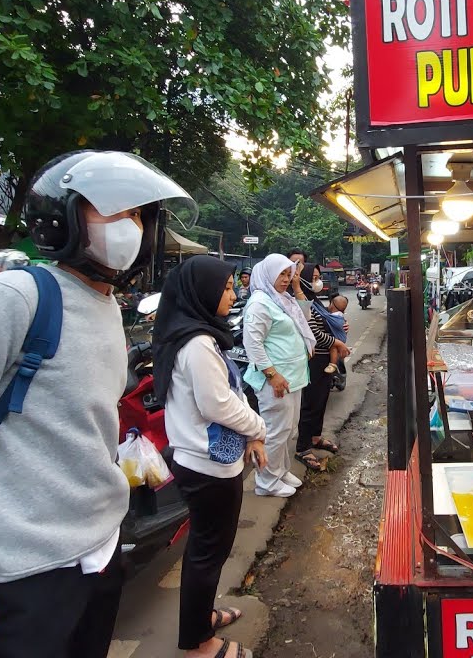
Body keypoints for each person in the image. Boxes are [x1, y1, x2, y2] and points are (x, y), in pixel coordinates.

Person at [0, 150, 193, 657]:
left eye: (138, 215)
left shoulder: (104, 308)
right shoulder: (17, 298)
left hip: (97, 555)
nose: (131, 228)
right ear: (64, 219)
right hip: (21, 574)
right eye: (114, 213)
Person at [153, 256, 267, 658]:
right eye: (227, 288)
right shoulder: (198, 344)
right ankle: (199, 643)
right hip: (207, 467)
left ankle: (201, 618)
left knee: (207, 550)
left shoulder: (192, 334)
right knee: (207, 553)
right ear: (201, 292)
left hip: (204, 460)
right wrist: (257, 428)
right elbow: (218, 404)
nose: (233, 294)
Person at [242, 254, 315, 497]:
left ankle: (280, 471)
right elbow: (253, 344)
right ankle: (266, 482)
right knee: (275, 430)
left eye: (288, 274)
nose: (285, 279)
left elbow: (306, 317)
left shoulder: (282, 299)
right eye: (281, 274)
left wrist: (296, 287)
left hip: (293, 377)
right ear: (268, 274)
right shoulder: (260, 302)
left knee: (288, 429)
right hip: (276, 380)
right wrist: (272, 375)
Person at [295, 264, 350, 471]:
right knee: (311, 403)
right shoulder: (301, 302)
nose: (318, 281)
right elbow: (313, 333)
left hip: (326, 357)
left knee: (322, 400)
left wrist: (341, 327)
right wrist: (337, 343)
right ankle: (302, 447)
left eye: (319, 276)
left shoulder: (315, 301)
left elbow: (329, 321)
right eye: (314, 277)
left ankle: (316, 438)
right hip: (315, 358)